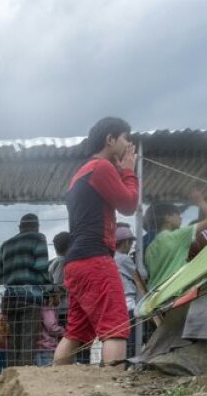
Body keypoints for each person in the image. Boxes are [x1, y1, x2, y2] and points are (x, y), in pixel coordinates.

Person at [53, 116, 139, 366]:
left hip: (76, 262)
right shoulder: (101, 168)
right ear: (110, 139)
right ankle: (112, 392)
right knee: (116, 323)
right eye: (125, 138)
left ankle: (56, 385)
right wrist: (128, 173)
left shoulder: (79, 174)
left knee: (76, 331)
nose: (128, 146)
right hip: (94, 258)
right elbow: (128, 204)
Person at [0, 213, 51, 367]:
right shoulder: (38, 238)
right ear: (37, 227)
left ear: (20, 227)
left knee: (13, 343)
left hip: (10, 299)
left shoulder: (6, 244)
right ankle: (24, 377)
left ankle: (13, 378)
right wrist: (50, 287)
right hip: (30, 298)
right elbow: (41, 266)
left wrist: (12, 277)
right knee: (28, 342)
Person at [145, 201, 207, 291]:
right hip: (175, 293)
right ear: (167, 217)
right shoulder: (177, 236)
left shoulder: (149, 249)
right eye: (177, 214)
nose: (180, 217)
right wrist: (199, 199)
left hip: (156, 297)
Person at [112, 225, 140, 359]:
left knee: (116, 337)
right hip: (128, 304)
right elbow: (142, 275)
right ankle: (128, 366)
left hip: (115, 304)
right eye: (131, 243)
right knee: (131, 340)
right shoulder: (124, 258)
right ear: (126, 242)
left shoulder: (110, 258)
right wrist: (138, 262)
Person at [34, 289, 65, 366]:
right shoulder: (48, 310)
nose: (60, 300)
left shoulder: (42, 308)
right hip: (47, 347)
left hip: (41, 347)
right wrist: (64, 331)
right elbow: (52, 328)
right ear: (53, 297)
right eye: (59, 297)